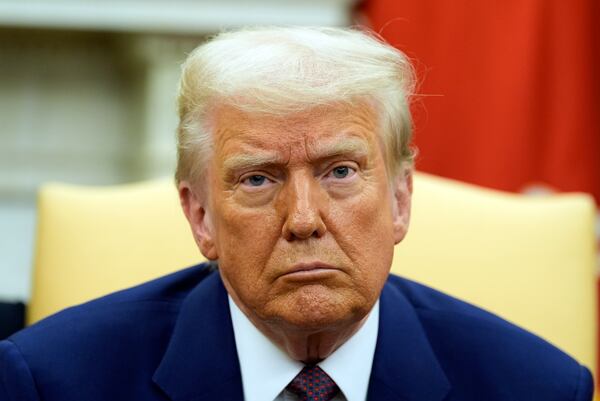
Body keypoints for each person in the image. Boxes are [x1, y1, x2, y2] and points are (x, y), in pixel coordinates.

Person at [0, 27, 593, 401]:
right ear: (200, 215)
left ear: (400, 199)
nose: (303, 219)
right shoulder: (53, 380)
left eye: (339, 171)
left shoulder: (535, 386)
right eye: (258, 179)